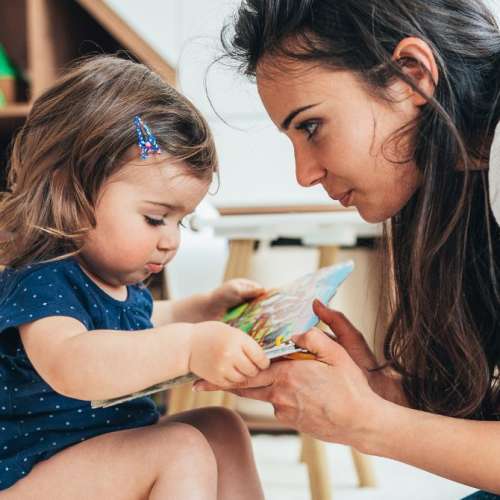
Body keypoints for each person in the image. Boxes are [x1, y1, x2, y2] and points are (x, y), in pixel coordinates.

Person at [196, 1, 500, 498]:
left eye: (311, 126)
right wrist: (386, 394)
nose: (304, 174)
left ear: (411, 74)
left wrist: (370, 423)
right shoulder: (467, 188)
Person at [0, 55, 269, 499]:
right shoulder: (40, 279)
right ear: (72, 188)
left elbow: (136, 324)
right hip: (31, 473)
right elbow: (73, 361)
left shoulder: (115, 281)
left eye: (180, 222)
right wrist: (187, 345)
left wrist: (200, 310)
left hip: (87, 456)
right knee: (179, 449)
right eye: (154, 218)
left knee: (220, 425)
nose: (171, 242)